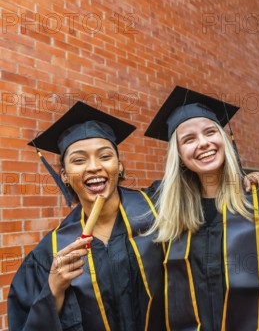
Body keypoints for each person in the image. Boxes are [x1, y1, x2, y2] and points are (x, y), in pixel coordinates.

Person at [8, 101, 165, 330]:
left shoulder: (160, 213)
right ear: (64, 175)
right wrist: (53, 291)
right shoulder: (51, 252)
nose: (93, 167)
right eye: (79, 160)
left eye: (104, 156)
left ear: (119, 166)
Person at [143, 86, 259, 330]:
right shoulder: (167, 213)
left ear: (224, 138)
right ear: (178, 154)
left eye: (210, 132)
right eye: (188, 139)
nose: (203, 143)